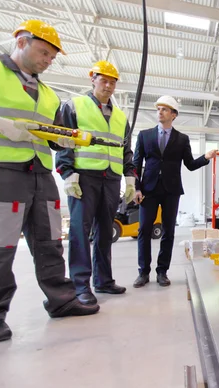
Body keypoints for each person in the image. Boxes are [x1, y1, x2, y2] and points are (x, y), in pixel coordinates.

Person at [0, 20, 100, 342]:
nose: (48, 60)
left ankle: (62, 300)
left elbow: (49, 136)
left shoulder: (50, 94)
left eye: (52, 57)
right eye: (44, 52)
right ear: (22, 43)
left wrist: (65, 141)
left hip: (40, 173)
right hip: (2, 172)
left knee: (50, 242)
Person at [55, 61, 136, 305]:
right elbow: (63, 140)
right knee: (80, 230)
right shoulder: (74, 106)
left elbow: (126, 150)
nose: (109, 86)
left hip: (110, 178)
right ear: (93, 79)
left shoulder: (121, 117)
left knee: (105, 231)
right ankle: (81, 286)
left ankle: (103, 280)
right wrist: (67, 172)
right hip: (84, 177)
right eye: (104, 80)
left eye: (113, 82)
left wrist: (130, 178)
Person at [132, 95, 217, 287]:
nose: (160, 112)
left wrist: (205, 157)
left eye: (164, 109)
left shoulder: (182, 139)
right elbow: (136, 164)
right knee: (144, 230)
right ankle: (143, 272)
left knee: (168, 232)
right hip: (148, 189)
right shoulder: (145, 136)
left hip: (171, 190)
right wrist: (136, 188)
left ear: (173, 114)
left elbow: (190, 164)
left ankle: (162, 271)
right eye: (158, 109)